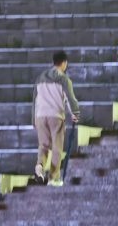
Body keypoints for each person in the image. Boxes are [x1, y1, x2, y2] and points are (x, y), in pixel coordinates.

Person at [31, 50, 80, 187]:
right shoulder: (64, 79)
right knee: (57, 148)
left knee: (43, 146)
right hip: (55, 116)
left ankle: (39, 167)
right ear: (64, 63)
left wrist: (33, 119)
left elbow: (34, 99)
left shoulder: (40, 77)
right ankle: (53, 178)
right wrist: (75, 113)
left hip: (40, 116)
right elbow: (71, 99)